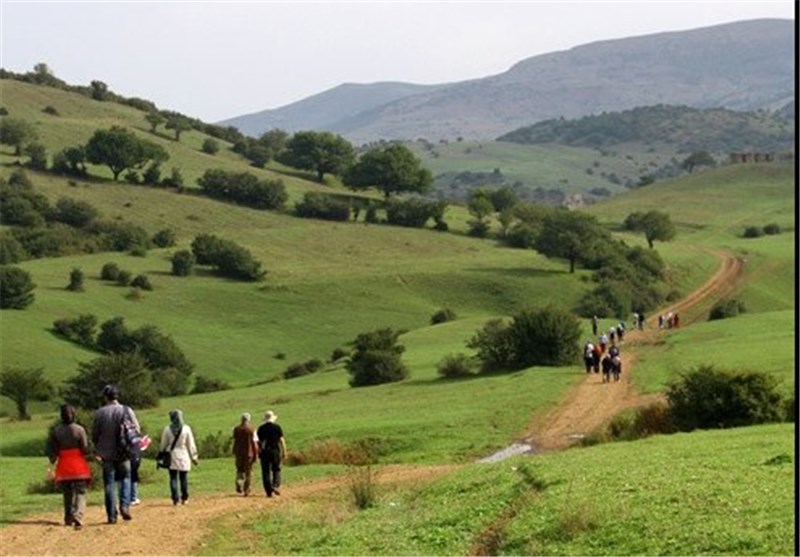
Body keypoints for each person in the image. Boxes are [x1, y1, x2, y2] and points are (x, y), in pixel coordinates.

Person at [92, 384, 140, 524]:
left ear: (105, 397)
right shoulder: (126, 410)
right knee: (125, 478)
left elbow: (95, 434)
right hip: (123, 452)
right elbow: (136, 428)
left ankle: (111, 515)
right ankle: (125, 506)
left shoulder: (100, 413)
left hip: (106, 454)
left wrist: (98, 448)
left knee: (109, 483)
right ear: (117, 396)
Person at [47, 404, 92, 530]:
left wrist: (52, 461)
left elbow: (53, 450)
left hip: (64, 465)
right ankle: (78, 515)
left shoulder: (57, 431)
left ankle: (68, 518)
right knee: (80, 491)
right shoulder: (79, 429)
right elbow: (84, 448)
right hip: (78, 465)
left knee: (67, 493)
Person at [159, 409, 198, 505]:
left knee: (173, 478)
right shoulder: (186, 429)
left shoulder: (167, 429)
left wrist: (161, 453)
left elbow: (163, 443)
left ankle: (175, 499)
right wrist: (194, 456)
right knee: (183, 478)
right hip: (184, 455)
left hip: (171, 455)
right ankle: (185, 497)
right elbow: (190, 444)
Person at [257, 410, 286, 498]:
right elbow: (281, 440)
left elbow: (258, 442)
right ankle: (275, 485)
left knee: (265, 471)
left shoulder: (261, 429)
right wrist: (284, 451)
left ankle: (268, 491)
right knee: (276, 469)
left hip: (264, 452)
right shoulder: (277, 427)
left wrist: (258, 452)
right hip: (275, 451)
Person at [232, 413, 259, 496]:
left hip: (239, 453)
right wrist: (256, 454)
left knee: (239, 470)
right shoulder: (252, 429)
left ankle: (239, 482)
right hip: (249, 453)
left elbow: (235, 440)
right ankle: (247, 489)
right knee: (248, 472)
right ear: (249, 420)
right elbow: (254, 443)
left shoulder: (236, 429)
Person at [131, 434, 151, 506]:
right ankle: (133, 497)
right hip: (135, 455)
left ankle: (127, 497)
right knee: (133, 476)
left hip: (127, 455)